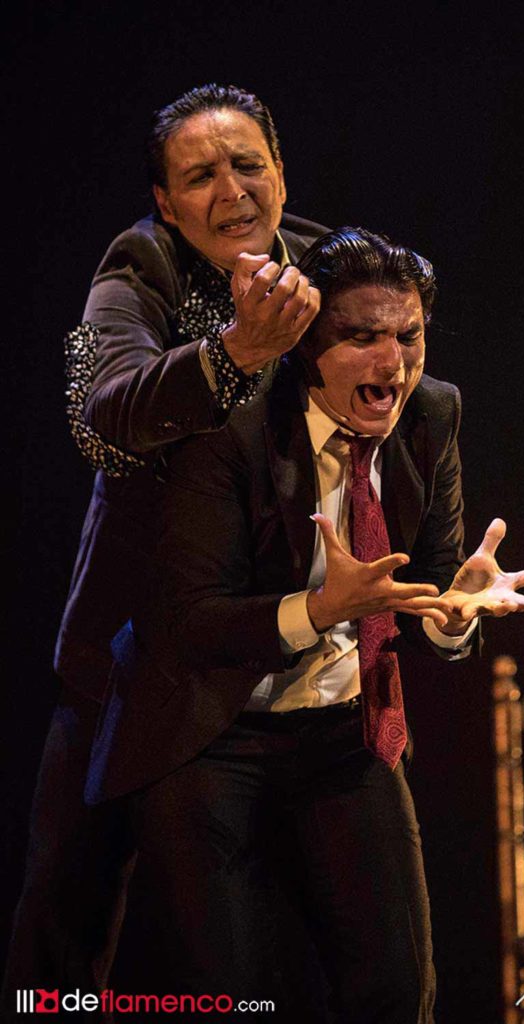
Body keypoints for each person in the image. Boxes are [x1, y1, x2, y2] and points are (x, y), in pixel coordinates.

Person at [87, 228, 524, 1023]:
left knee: (397, 989)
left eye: (408, 335)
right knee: (232, 996)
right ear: (307, 345)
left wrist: (454, 614)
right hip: (208, 731)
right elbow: (187, 624)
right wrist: (318, 611)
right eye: (362, 337)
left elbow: (430, 581)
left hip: (343, 731)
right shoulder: (230, 425)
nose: (393, 363)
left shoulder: (432, 411)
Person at [3, 82, 326, 1012]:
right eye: (200, 176)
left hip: (282, 649)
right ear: (166, 202)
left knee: (281, 936)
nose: (231, 191)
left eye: (247, 164)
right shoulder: (135, 265)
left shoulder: (330, 266)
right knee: (64, 922)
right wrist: (234, 354)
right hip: (132, 653)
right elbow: (100, 421)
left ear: (279, 172)